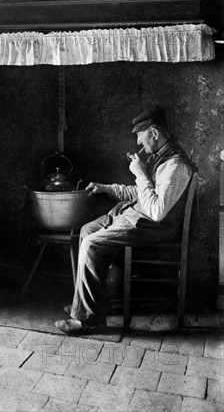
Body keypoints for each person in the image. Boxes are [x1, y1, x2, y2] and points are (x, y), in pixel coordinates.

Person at [55, 107, 195, 335]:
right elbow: (142, 193)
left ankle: (89, 320)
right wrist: (105, 188)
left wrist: (140, 173)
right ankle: (91, 305)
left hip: (154, 227)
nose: (138, 141)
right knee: (87, 230)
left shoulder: (176, 166)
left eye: (140, 135)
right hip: (137, 217)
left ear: (154, 133)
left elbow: (157, 211)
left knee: (92, 244)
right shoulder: (162, 158)